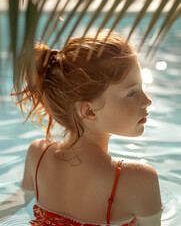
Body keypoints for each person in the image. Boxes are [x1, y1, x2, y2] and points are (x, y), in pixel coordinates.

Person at [11, 30, 162, 226]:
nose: (147, 101)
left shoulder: (38, 156)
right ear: (89, 111)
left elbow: (15, 203)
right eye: (132, 93)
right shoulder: (138, 180)